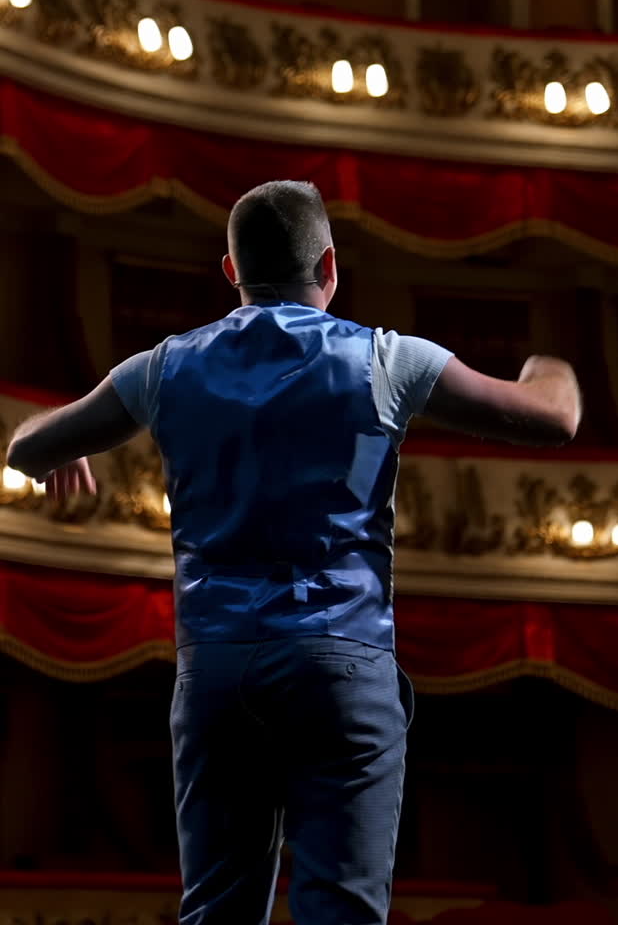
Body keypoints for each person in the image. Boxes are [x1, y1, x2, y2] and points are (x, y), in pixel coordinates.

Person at [8, 180, 582, 925]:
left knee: (216, 911)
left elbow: (27, 448)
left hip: (216, 667)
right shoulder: (386, 359)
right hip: (342, 664)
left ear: (231, 272)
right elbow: (554, 419)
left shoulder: (163, 367)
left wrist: (60, 445)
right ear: (331, 266)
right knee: (340, 912)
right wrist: (550, 367)